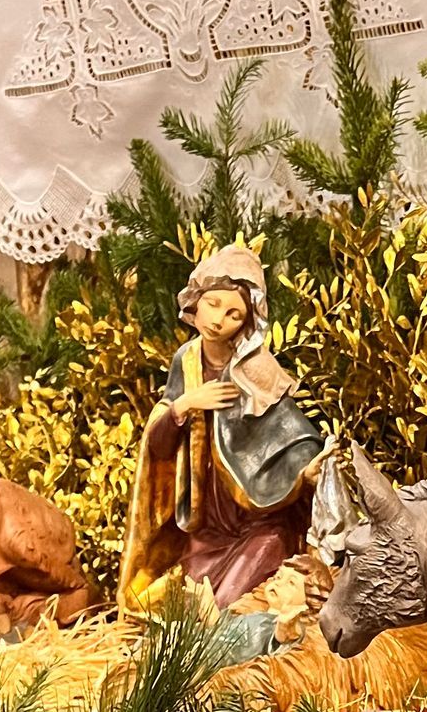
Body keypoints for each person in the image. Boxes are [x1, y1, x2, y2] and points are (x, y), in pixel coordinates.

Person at [118, 245, 322, 609]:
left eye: (233, 314)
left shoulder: (256, 366)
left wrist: (308, 468)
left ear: (245, 323)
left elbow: (292, 430)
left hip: (258, 521)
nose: (218, 320)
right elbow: (160, 447)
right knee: (169, 600)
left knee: (237, 586)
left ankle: (218, 635)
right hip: (205, 525)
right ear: (196, 300)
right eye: (213, 304)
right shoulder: (188, 360)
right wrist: (185, 404)